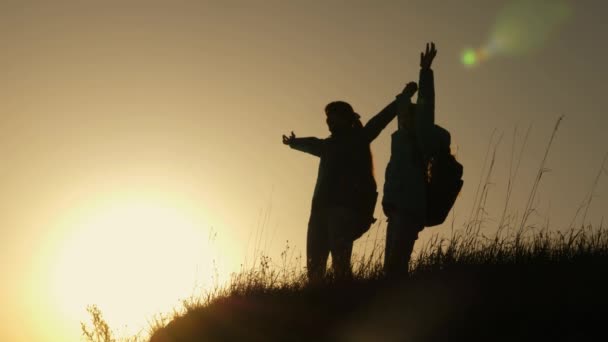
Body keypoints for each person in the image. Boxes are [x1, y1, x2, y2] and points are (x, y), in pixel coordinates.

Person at [282, 84, 418, 282]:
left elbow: (380, 120)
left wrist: (404, 97)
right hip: (319, 211)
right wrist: (294, 142)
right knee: (314, 269)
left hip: (343, 211)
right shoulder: (327, 145)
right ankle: (316, 304)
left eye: (333, 116)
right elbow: (312, 143)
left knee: (340, 266)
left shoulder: (359, 139)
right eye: (327, 118)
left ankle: (344, 299)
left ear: (346, 118)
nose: (328, 121)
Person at [383, 42, 441, 277]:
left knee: (397, 263)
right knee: (390, 267)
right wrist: (406, 94)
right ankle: (389, 296)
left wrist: (425, 72)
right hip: (396, 208)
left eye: (408, 115)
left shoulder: (422, 134)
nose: (403, 118)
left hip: (409, 207)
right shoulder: (401, 137)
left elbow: (427, 105)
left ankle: (395, 295)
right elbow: (402, 108)